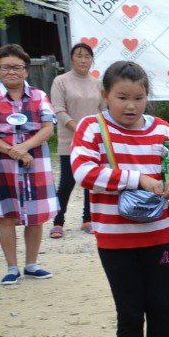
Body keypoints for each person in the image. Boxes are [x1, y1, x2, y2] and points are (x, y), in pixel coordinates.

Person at [71, 61, 169, 337]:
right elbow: (83, 171)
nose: (131, 105)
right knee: (129, 312)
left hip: (158, 234)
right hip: (115, 239)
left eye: (139, 97)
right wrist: (138, 179)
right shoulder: (92, 128)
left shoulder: (160, 128)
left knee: (162, 306)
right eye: (122, 97)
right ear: (104, 95)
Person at [0, 44, 58, 286]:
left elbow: (48, 128)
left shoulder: (39, 96)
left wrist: (23, 148)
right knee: (5, 216)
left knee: (35, 215)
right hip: (1, 162)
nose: (12, 72)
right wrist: (13, 151)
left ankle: (32, 265)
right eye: (6, 67)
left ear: (26, 71)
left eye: (17, 67)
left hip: (35, 161)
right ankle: (11, 267)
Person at [49, 42, 100, 238]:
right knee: (68, 180)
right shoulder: (60, 81)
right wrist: (79, 129)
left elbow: (102, 110)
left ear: (92, 60)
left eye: (87, 56)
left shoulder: (97, 83)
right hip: (69, 140)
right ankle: (58, 221)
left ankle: (88, 219)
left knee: (90, 180)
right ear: (71, 58)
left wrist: (94, 132)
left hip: (93, 140)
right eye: (79, 55)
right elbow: (59, 110)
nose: (83, 59)